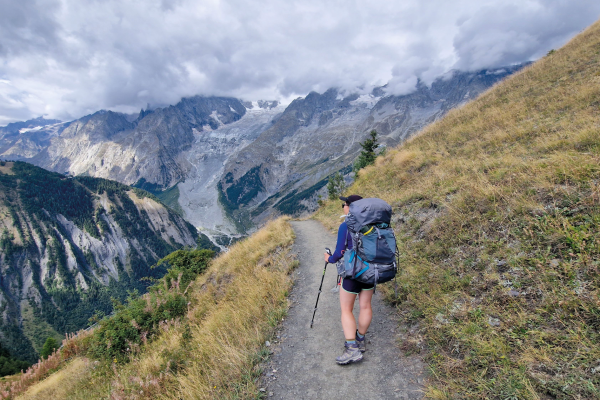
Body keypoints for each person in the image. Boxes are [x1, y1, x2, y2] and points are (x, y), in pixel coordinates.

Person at [324, 194, 374, 365]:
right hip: (370, 272)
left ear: (350, 208)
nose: (343, 207)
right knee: (365, 305)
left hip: (352, 272)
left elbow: (338, 253)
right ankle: (360, 340)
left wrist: (328, 259)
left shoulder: (345, 226)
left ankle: (352, 349)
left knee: (346, 309)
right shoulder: (373, 224)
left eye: (344, 204)